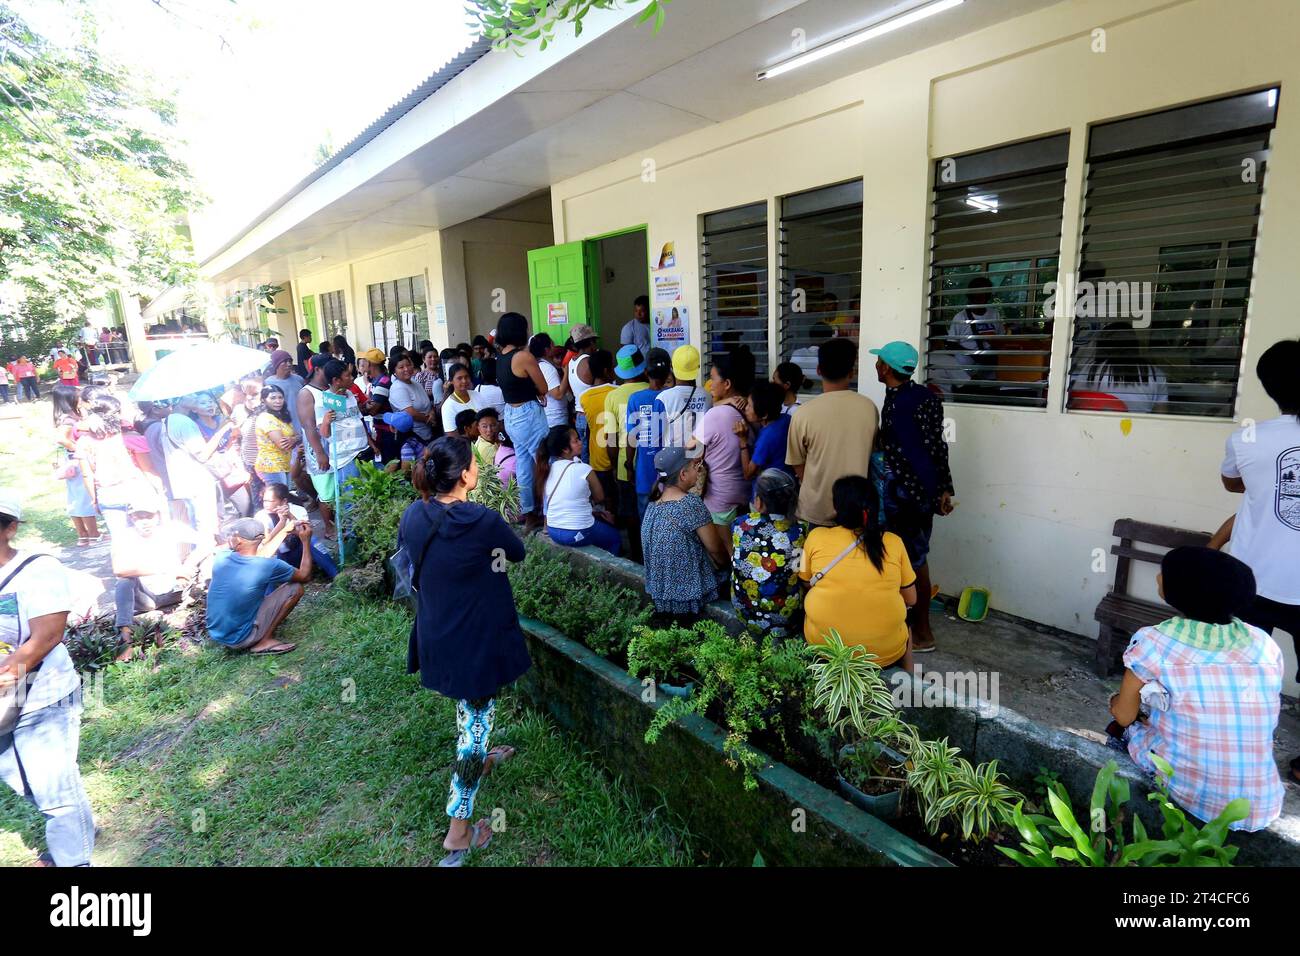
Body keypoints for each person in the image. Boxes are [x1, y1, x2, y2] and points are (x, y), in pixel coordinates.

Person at [399, 437, 529, 865]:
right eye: (474, 463)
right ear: (468, 475)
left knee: (473, 717)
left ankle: (481, 752)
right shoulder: (483, 520)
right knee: (471, 737)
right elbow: (517, 553)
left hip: (437, 635)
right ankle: (458, 832)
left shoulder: (415, 514)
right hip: (472, 644)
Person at [1108, 547, 1284, 830]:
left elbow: (1124, 715)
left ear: (1181, 592)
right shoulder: (1263, 643)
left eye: (1164, 574)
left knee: (1119, 729)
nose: (1157, 577)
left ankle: (1127, 813)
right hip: (1261, 802)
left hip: (1196, 795)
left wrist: (1117, 702)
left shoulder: (1154, 642)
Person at [1219, 337, 1300, 784]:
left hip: (1252, 580)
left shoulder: (1247, 437)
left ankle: (1239, 753)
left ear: (1269, 386)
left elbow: (1234, 485)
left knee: (1244, 671)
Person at [0, 491, 96, 866]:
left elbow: (46, 637)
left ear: (10, 528)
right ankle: (78, 826)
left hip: (43, 693)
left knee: (54, 788)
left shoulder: (38, 569)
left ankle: (74, 861)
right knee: (20, 780)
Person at [873, 341, 954, 653]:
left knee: (913, 561)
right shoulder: (923, 396)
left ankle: (922, 632)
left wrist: (923, 491)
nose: (876, 366)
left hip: (905, 495)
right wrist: (943, 489)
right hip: (921, 492)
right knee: (911, 558)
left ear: (887, 368)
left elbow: (915, 453)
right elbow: (938, 446)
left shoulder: (899, 404)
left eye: (879, 361)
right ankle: (907, 624)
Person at [798, 476, 916, 671]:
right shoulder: (894, 542)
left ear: (837, 507)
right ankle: (910, 678)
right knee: (907, 616)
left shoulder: (815, 537)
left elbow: (805, 582)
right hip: (884, 654)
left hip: (824, 647)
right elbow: (911, 599)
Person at [787, 337, 878, 528]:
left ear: (819, 370)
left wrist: (816, 485)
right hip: (858, 509)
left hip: (815, 509)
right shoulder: (869, 408)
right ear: (852, 373)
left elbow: (796, 462)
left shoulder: (803, 413)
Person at [641, 446, 728, 624]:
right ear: (683, 474)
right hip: (688, 598)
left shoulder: (652, 504)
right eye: (695, 466)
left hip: (660, 593)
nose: (698, 469)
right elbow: (716, 551)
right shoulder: (690, 504)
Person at [111, 502, 209, 660]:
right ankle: (125, 639)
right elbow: (119, 569)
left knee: (211, 560)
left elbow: (207, 543)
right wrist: (164, 568)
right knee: (124, 582)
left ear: (157, 516)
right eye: (139, 517)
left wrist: (187, 565)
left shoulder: (172, 528)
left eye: (149, 516)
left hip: (176, 590)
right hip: (147, 595)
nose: (145, 521)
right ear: (131, 518)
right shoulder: (124, 536)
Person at [205, 518, 311, 655]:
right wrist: (306, 541)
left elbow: (258, 557)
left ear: (238, 541)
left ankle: (255, 632)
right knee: (295, 588)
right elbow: (305, 576)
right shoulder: (267, 566)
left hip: (217, 634)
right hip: (241, 639)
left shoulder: (222, 557)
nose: (229, 538)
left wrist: (284, 531)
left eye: (232, 535)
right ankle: (264, 641)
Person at [690, 345, 756, 557]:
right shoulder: (749, 411)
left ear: (727, 384)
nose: (709, 384)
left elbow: (691, 449)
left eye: (713, 378)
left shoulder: (715, 416)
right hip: (746, 494)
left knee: (725, 556)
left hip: (719, 499)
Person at [731, 469, 807, 641]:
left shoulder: (741, 524)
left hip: (744, 611)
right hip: (785, 617)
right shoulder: (800, 531)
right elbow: (800, 570)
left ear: (758, 502)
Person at [496, 313, 551, 532]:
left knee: (525, 467)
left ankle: (529, 515)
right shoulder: (523, 357)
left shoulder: (501, 356)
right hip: (528, 414)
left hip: (511, 414)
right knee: (545, 464)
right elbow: (544, 387)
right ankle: (549, 516)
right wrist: (538, 393)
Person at [76, 392, 157, 538]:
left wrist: (94, 500)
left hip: (108, 495)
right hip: (137, 491)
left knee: (121, 542)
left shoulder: (84, 442)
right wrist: (160, 490)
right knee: (148, 538)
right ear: (117, 414)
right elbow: (148, 469)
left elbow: (87, 475)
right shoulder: (131, 438)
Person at [538, 424, 620, 554]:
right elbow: (600, 498)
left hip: (553, 530)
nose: (581, 442)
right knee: (614, 538)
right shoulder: (584, 469)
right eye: (576, 440)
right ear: (565, 449)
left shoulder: (548, 469)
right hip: (577, 532)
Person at [315, 359, 377, 524]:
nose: (352, 377)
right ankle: (351, 534)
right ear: (336, 380)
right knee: (351, 501)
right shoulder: (324, 400)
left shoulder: (350, 395)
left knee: (367, 494)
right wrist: (327, 421)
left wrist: (371, 443)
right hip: (345, 459)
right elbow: (323, 433)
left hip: (362, 452)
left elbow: (358, 420)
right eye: (348, 375)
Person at [606, 345, 650, 560]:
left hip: (627, 464)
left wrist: (615, 466)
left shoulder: (612, 397)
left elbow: (611, 439)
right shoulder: (653, 389)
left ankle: (636, 555)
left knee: (631, 513)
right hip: (653, 464)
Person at [1070, 323, 1169, 413]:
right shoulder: (1157, 374)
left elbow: (1076, 401)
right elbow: (1161, 414)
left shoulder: (1092, 370)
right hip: (1139, 430)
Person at [185, 390, 253, 520]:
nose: (209, 405)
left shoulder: (222, 419)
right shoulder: (194, 427)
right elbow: (204, 452)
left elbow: (234, 440)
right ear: (194, 409)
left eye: (210, 401)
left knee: (246, 505)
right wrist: (222, 430)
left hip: (231, 471)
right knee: (219, 514)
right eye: (203, 403)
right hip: (212, 473)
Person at [255, 482, 338, 581]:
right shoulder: (261, 516)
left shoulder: (298, 509)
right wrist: (282, 523)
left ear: (284, 501)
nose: (266, 505)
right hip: (279, 556)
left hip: (299, 552)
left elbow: (305, 532)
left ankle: (336, 575)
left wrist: (289, 516)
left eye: (270, 501)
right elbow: (265, 543)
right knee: (265, 562)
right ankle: (268, 594)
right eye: (264, 501)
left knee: (313, 541)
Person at [51, 385, 101, 547]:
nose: (80, 398)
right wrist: (78, 449)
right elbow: (61, 439)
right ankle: (93, 535)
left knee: (75, 498)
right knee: (84, 497)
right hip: (77, 460)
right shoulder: (67, 419)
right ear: (68, 399)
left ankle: (83, 536)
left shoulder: (67, 415)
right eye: (77, 396)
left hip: (71, 460)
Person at [626, 350, 672, 522]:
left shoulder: (635, 399)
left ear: (646, 372)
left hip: (645, 474)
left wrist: (629, 465)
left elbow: (632, 437)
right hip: (672, 474)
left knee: (646, 523)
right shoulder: (672, 396)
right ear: (668, 373)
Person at [737, 380, 794, 493]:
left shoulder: (766, 439)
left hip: (766, 494)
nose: (746, 408)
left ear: (764, 415)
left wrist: (743, 441)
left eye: (749, 405)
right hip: (786, 486)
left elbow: (748, 474)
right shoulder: (786, 419)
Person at [579, 350, 618, 512]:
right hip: (618, 450)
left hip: (597, 454)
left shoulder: (584, 397)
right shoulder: (616, 391)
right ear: (606, 370)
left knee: (607, 495)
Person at [655, 344, 712, 450]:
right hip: (699, 458)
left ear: (672, 367)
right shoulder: (707, 396)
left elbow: (655, 437)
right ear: (698, 368)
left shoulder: (663, 398)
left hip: (673, 461)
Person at [254, 384, 298, 489]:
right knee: (279, 499)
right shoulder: (266, 417)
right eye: (273, 398)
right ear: (264, 400)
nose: (278, 401)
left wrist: (294, 439)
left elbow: (295, 436)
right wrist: (295, 439)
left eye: (280, 397)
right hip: (271, 466)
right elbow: (283, 444)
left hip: (283, 464)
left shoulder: (281, 416)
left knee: (283, 497)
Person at [566, 324, 599, 458]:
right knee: (592, 453)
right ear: (590, 342)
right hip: (590, 415)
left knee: (584, 451)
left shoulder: (571, 363)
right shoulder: (589, 362)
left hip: (579, 415)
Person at [530, 333, 571, 428]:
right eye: (552, 345)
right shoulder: (547, 368)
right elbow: (558, 394)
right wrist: (566, 373)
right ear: (546, 350)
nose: (554, 347)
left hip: (549, 416)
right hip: (556, 418)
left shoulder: (538, 365)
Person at [437, 362, 481, 436]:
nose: (464, 381)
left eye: (466, 377)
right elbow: (452, 435)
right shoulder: (448, 406)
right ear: (451, 381)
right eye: (459, 378)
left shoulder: (476, 394)